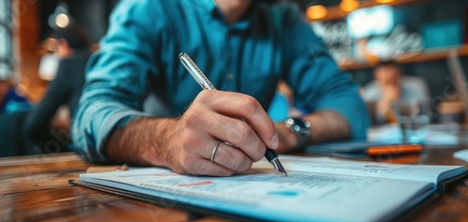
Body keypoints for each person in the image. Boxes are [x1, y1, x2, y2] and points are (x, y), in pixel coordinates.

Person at [72, 0, 370, 176]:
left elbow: (349, 106)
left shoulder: (283, 19)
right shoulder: (150, 9)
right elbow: (92, 115)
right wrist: (167, 140)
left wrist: (287, 133)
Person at [23, 24, 92, 154]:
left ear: (63, 45)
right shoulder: (100, 58)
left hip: (88, 145)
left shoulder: (69, 64)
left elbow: (35, 122)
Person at [362, 61, 430, 124]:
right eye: (386, 82)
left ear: (401, 76)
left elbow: (424, 114)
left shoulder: (416, 86)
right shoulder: (369, 92)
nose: (391, 85)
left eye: (394, 80)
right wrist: (385, 104)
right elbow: (368, 121)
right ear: (377, 81)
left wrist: (398, 102)